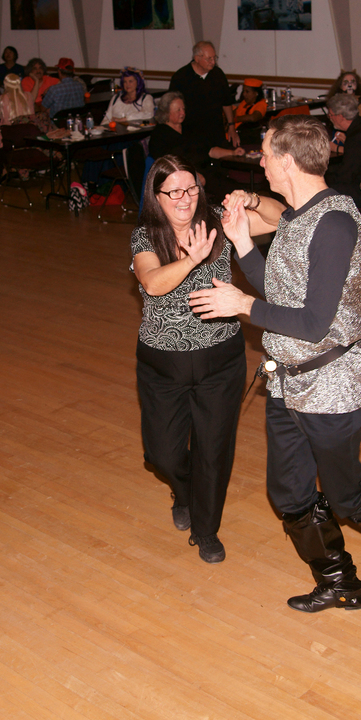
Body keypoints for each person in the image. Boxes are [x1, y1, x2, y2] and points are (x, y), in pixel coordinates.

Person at [188, 114, 361, 612]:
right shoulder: (296, 215)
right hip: (287, 380)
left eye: (265, 154)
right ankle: (340, 583)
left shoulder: (333, 223)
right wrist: (242, 242)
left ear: (287, 162)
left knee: (345, 496)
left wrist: (241, 306)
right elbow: (278, 292)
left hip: (332, 383)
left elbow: (312, 323)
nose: (260, 162)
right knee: (289, 494)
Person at [131, 155, 282, 564]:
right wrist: (192, 258)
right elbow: (153, 283)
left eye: (191, 188)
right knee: (162, 454)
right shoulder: (146, 236)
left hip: (220, 359)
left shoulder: (218, 222)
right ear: (157, 196)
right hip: (162, 364)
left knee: (213, 451)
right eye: (174, 191)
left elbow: (283, 218)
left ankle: (206, 529)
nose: (184, 198)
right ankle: (184, 491)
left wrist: (251, 200)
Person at [170, 41, 239, 149]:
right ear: (197, 58)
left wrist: (231, 126)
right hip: (191, 133)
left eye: (214, 58)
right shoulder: (181, 77)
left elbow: (226, 103)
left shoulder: (218, 75)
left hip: (215, 132)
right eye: (209, 59)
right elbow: (172, 107)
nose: (213, 62)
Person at [149, 91, 245, 163]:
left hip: (206, 171)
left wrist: (233, 153)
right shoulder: (159, 135)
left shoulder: (189, 127)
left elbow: (210, 150)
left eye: (183, 109)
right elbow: (167, 164)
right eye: (178, 110)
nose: (183, 113)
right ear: (166, 112)